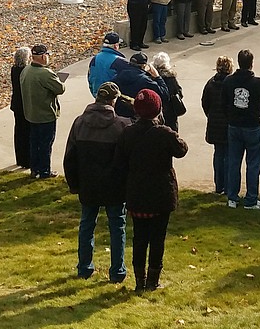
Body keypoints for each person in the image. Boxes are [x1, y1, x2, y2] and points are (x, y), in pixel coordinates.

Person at [115, 88, 188, 292]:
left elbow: (119, 161)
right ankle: (152, 280)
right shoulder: (163, 133)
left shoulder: (128, 132)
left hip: (137, 192)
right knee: (157, 238)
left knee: (139, 238)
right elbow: (181, 149)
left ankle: (140, 280)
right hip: (160, 193)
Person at [64, 81, 131, 283]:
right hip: (114, 186)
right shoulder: (122, 125)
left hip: (88, 184)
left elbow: (70, 157)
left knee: (87, 225)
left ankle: (84, 267)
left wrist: (74, 184)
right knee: (117, 226)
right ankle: (117, 271)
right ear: (114, 100)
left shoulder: (79, 123)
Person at [223, 49, 260, 210]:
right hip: (252, 127)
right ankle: (251, 200)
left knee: (233, 162)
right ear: (251, 63)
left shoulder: (229, 81)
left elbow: (223, 102)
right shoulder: (257, 82)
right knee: (253, 164)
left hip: (234, 126)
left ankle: (232, 198)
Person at [21, 43, 66, 179]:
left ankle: (34, 169)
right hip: (45, 115)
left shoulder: (26, 70)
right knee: (46, 144)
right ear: (41, 56)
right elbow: (60, 89)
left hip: (31, 114)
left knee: (34, 143)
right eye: (46, 55)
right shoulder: (45, 73)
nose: (48, 57)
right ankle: (45, 171)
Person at [202, 55, 234, 195]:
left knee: (218, 154)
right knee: (228, 156)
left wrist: (210, 115)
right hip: (228, 123)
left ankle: (218, 185)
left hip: (214, 123)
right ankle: (228, 187)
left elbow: (205, 103)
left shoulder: (210, 83)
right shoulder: (232, 84)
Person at [109, 52, 169, 118]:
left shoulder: (117, 76)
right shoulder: (145, 81)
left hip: (119, 114)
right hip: (136, 115)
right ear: (144, 66)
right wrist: (157, 77)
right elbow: (164, 94)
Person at [9, 45, 33, 170]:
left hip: (16, 104)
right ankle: (27, 160)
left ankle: (20, 159)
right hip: (25, 104)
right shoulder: (26, 70)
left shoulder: (14, 69)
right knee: (27, 132)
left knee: (19, 132)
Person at [152, 52, 184, 132]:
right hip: (170, 112)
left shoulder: (151, 77)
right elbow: (179, 92)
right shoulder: (170, 78)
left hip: (157, 111)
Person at [87, 32, 126, 97]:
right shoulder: (120, 62)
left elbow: (90, 77)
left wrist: (94, 92)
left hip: (97, 94)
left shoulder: (95, 59)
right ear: (115, 46)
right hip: (113, 97)